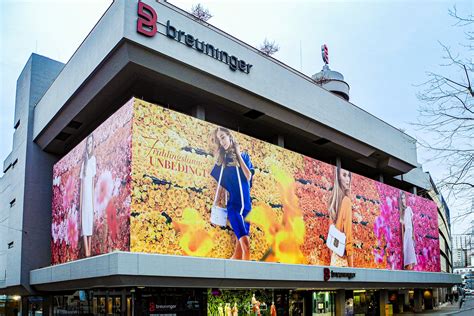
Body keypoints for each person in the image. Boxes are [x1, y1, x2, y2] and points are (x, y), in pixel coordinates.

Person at [210, 127, 254, 260]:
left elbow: (248, 176)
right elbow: (221, 185)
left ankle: (231, 269)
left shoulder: (244, 156)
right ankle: (247, 279)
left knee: (239, 249)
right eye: (219, 139)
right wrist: (216, 201)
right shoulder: (223, 162)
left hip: (247, 207)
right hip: (234, 207)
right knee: (246, 246)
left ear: (229, 136)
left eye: (223, 137)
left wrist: (239, 155)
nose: (222, 141)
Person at [327, 165, 353, 267]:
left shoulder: (332, 202)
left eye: (349, 175)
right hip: (343, 260)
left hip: (334, 259)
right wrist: (352, 267)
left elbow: (330, 235)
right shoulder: (346, 201)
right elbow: (348, 238)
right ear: (338, 177)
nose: (348, 179)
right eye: (344, 175)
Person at [79, 134, 96, 257]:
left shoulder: (93, 159)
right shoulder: (83, 164)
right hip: (84, 195)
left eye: (91, 144)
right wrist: (80, 204)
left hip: (90, 195)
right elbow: (81, 184)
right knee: (85, 220)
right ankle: (87, 251)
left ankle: (89, 249)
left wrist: (93, 200)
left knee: (89, 219)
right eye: (87, 144)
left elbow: (92, 181)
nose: (89, 146)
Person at [399, 191, 417, 270]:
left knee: (411, 248)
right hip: (406, 233)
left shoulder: (409, 209)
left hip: (410, 232)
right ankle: (407, 266)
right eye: (402, 198)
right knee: (407, 249)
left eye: (404, 198)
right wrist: (403, 239)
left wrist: (413, 234)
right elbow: (402, 227)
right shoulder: (401, 212)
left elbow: (412, 223)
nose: (403, 200)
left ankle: (411, 266)